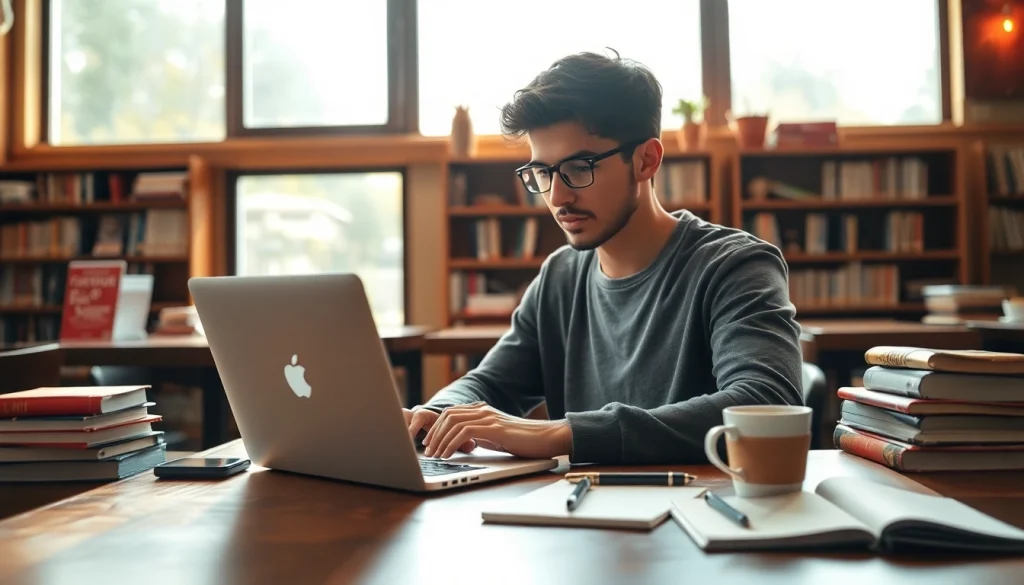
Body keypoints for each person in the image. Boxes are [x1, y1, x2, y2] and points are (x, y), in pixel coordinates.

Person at [405, 50, 803, 464]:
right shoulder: (560, 276)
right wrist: (433, 415)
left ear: (647, 160)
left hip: (698, 514)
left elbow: (766, 402)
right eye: (542, 173)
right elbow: (490, 383)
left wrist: (562, 432)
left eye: (579, 167)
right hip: (578, 515)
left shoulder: (735, 266)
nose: (557, 197)